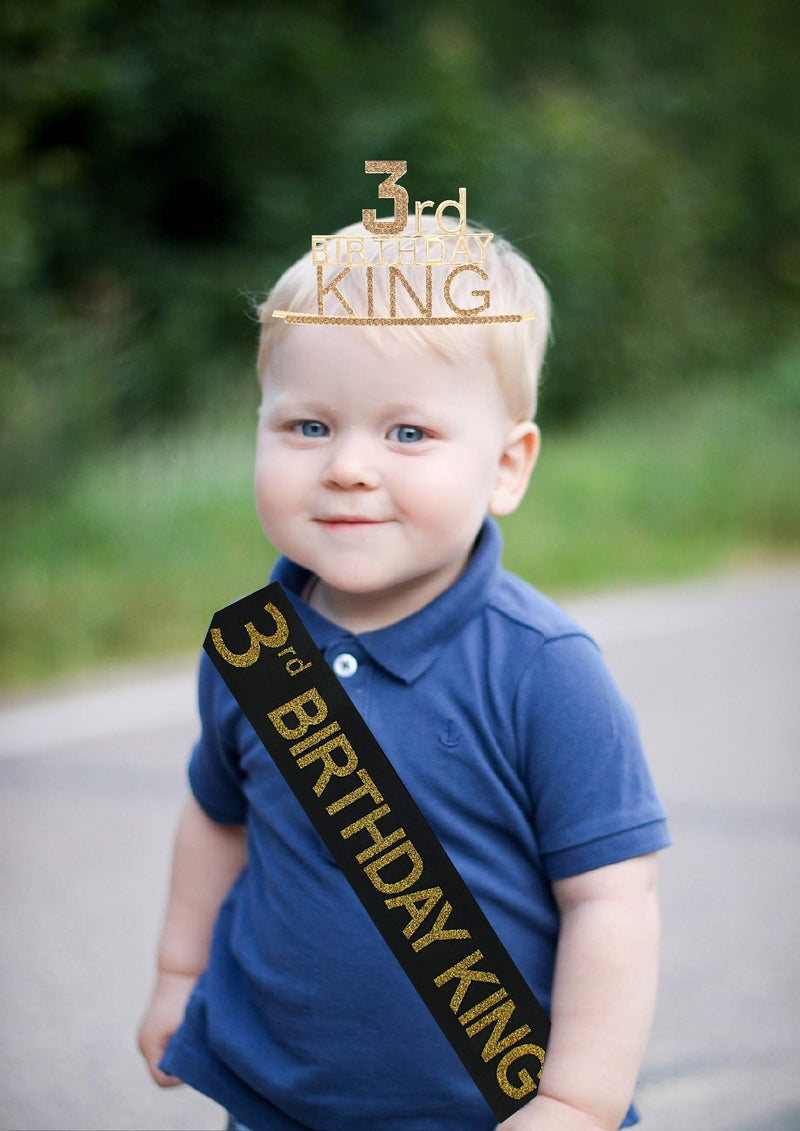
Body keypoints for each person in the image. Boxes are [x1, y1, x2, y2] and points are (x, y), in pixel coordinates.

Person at [138, 213, 670, 1131]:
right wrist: (178, 973)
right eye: (308, 424)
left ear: (506, 466)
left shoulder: (543, 670)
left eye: (409, 433)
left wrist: (578, 1100)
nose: (347, 467)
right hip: (278, 1102)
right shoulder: (252, 651)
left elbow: (612, 900)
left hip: (489, 1107)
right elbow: (216, 817)